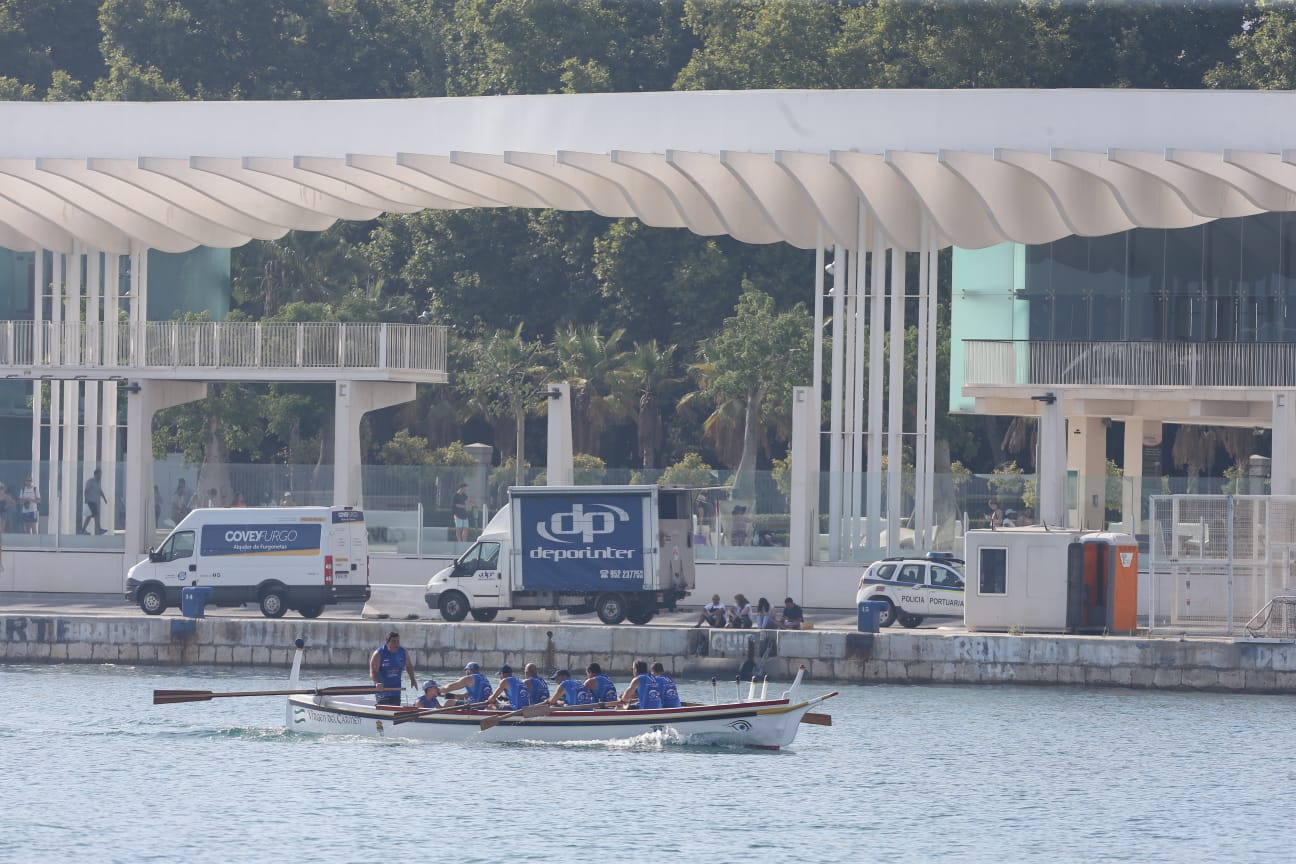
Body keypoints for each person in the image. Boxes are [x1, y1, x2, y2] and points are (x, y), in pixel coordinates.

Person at [368, 630, 417, 707]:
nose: (396, 644)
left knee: (394, 711)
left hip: (396, 690)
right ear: (387, 642)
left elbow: (409, 666)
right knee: (385, 711)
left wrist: (413, 679)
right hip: (383, 691)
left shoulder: (403, 652)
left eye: (398, 641)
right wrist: (378, 682)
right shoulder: (379, 654)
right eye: (394, 641)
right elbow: (373, 672)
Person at [81, 469, 107, 535]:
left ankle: (83, 530)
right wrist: (86, 500)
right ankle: (99, 529)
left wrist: (104, 499)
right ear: (96, 474)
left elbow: (100, 491)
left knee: (90, 516)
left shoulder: (97, 483)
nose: (100, 476)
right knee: (95, 516)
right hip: (90, 501)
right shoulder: (90, 482)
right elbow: (86, 491)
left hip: (94, 502)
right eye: (99, 474)